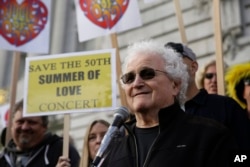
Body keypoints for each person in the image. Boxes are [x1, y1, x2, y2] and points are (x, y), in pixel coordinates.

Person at [101, 40, 237, 167]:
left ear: (175, 85)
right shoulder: (113, 151)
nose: (136, 83)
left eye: (147, 74)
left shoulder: (209, 137)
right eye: (129, 78)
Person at [164, 42, 250, 150]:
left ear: (193, 67)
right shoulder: (163, 116)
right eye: (166, 66)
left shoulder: (226, 106)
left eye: (175, 63)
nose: (171, 70)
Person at [0, 99, 80, 167]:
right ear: (11, 125)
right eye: (20, 122)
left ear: (44, 127)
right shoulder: (2, 159)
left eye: (31, 122)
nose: (24, 127)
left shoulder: (62, 152)